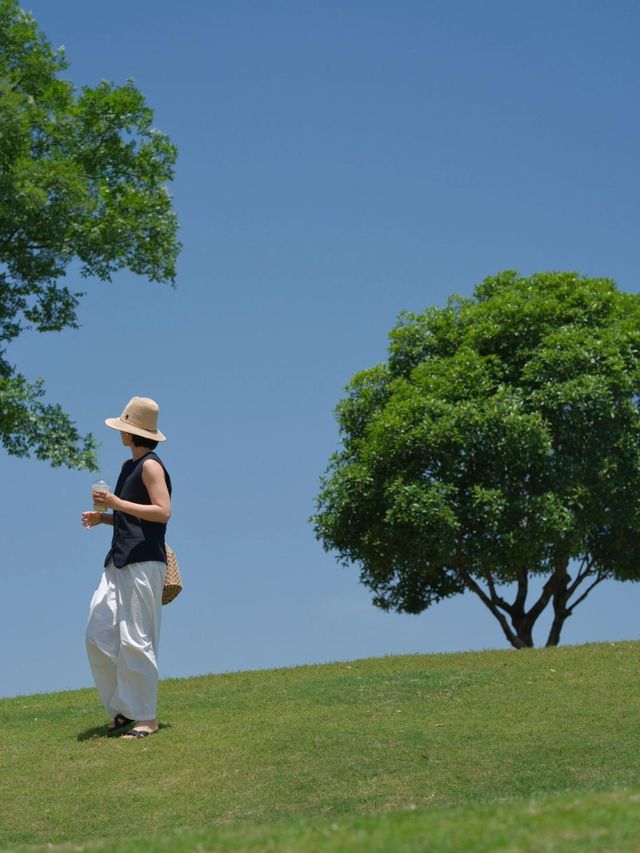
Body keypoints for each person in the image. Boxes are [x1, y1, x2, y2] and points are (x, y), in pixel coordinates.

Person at [82, 396, 172, 739]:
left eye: (123, 427)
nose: (120, 433)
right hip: (118, 559)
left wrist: (116, 503)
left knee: (137, 638)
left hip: (144, 560)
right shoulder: (126, 467)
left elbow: (163, 512)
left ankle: (145, 717)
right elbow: (131, 517)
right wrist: (105, 517)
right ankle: (123, 709)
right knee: (98, 634)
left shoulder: (151, 466)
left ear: (131, 432)